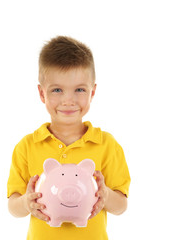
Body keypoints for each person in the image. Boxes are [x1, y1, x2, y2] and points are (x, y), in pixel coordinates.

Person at [7, 36, 131, 240]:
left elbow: (121, 206)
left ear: (92, 93)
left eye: (79, 90)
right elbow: (13, 206)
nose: (68, 100)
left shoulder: (107, 145)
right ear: (41, 93)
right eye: (57, 90)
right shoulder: (26, 147)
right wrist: (26, 203)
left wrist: (105, 195)